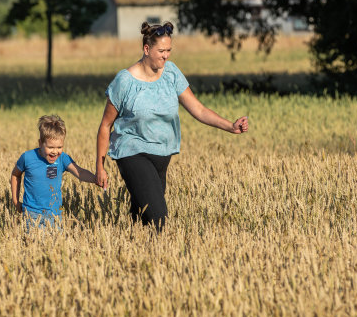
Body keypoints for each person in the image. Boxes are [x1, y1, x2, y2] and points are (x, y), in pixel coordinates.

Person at [95, 21, 249, 231]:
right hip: (132, 152)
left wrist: (230, 126)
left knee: (142, 218)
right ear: (147, 49)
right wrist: (100, 167)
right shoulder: (125, 81)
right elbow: (105, 126)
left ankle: (133, 256)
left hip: (162, 154)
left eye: (169, 50)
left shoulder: (171, 73)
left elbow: (199, 109)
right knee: (158, 216)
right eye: (161, 51)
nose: (166, 55)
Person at [10, 115, 97, 229]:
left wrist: (96, 179)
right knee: (33, 244)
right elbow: (15, 175)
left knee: (55, 244)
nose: (55, 152)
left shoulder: (63, 159)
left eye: (59, 147)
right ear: (40, 143)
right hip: (32, 214)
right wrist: (16, 201)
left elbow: (80, 172)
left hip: (55, 214)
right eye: (51, 147)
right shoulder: (27, 158)